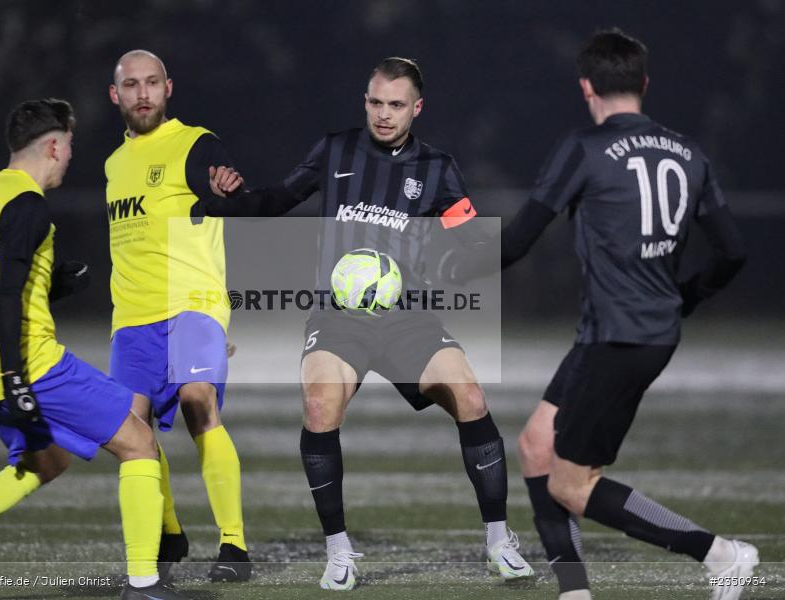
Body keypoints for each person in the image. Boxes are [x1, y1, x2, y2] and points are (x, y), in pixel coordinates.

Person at [196, 56, 533, 591]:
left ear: (416, 108)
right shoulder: (335, 152)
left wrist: (460, 259)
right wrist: (231, 200)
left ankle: (499, 542)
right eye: (375, 102)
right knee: (318, 404)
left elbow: (471, 236)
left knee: (470, 397)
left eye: (395, 105)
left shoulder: (437, 169)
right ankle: (339, 551)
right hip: (338, 316)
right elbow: (278, 199)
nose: (383, 114)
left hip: (408, 317)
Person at [443, 28, 755, 600]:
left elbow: (517, 244)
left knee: (571, 484)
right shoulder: (690, 152)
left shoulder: (584, 149)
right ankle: (573, 589)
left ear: (586, 86)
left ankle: (721, 554)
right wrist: (686, 294)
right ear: (644, 84)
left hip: (619, 340)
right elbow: (733, 252)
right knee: (537, 445)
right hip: (628, 334)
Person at [0, 98, 184, 600]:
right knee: (139, 442)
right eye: (70, 146)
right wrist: (17, 376)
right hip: (30, 365)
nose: (71, 156)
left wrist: (53, 285)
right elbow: (6, 294)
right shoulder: (26, 202)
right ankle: (143, 584)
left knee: (47, 461)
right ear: (53, 144)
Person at [105, 49, 250, 582]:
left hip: (193, 304)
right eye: (131, 85)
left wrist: (227, 195)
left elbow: (230, 198)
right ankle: (169, 532)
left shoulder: (195, 144)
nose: (142, 93)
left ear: (169, 88)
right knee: (130, 433)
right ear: (115, 95)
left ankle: (234, 546)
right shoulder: (113, 165)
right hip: (132, 317)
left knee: (197, 401)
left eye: (151, 83)